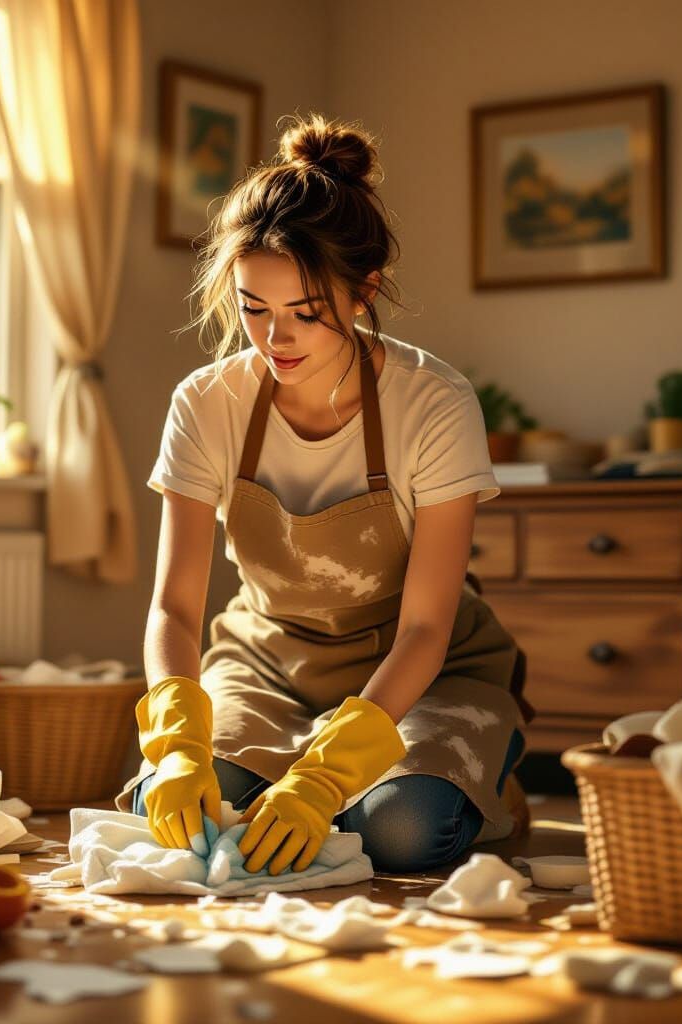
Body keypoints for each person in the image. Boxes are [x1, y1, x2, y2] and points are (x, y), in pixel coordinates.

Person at [115, 112, 531, 876]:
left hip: (426, 672)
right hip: (267, 661)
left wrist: (322, 778)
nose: (276, 341)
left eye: (305, 313)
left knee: (401, 832)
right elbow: (175, 608)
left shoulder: (432, 402)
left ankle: (483, 779)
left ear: (363, 290)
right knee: (180, 809)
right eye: (253, 309)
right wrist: (175, 744)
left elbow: (427, 628)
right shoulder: (206, 402)